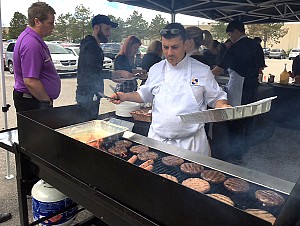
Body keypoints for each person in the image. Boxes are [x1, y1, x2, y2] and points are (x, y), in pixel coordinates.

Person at [110, 23, 230, 156]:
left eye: (175, 47)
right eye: (165, 47)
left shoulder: (202, 71)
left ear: (186, 44)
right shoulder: (156, 69)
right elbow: (144, 94)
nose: (169, 52)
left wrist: (223, 106)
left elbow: (217, 98)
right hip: (158, 142)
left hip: (191, 145)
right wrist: (124, 96)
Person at [212, 20, 265, 160]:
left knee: (236, 119)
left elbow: (219, 69)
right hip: (253, 86)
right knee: (248, 118)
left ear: (236, 31)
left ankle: (235, 154)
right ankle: (243, 150)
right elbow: (261, 66)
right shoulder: (256, 44)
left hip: (239, 86)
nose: (230, 38)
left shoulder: (236, 48)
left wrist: (204, 75)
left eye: (230, 34)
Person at [76, 15, 133, 119]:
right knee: (87, 125)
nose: (109, 33)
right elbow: (89, 72)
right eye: (107, 29)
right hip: (87, 94)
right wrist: (115, 74)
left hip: (91, 93)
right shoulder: (90, 46)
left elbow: (95, 71)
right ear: (97, 28)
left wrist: (115, 74)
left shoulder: (94, 45)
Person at [13, 2, 61, 112]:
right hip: (32, 102)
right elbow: (30, 81)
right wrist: (46, 102)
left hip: (33, 100)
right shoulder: (31, 44)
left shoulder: (32, 39)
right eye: (50, 23)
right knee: (36, 130)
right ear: (37, 21)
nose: (53, 27)